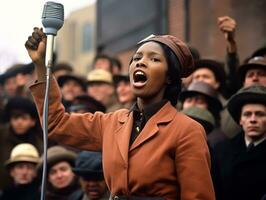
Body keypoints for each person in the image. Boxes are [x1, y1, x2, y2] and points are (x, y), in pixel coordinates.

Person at [25, 28, 215, 199]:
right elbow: (56, 124)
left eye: (154, 59)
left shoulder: (187, 130)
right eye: (137, 58)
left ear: (169, 76)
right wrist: (41, 66)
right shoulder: (112, 122)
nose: (141, 62)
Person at [212, 85, 266, 200]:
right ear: (240, 120)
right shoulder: (221, 151)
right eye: (247, 114)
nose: (253, 119)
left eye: (260, 114)